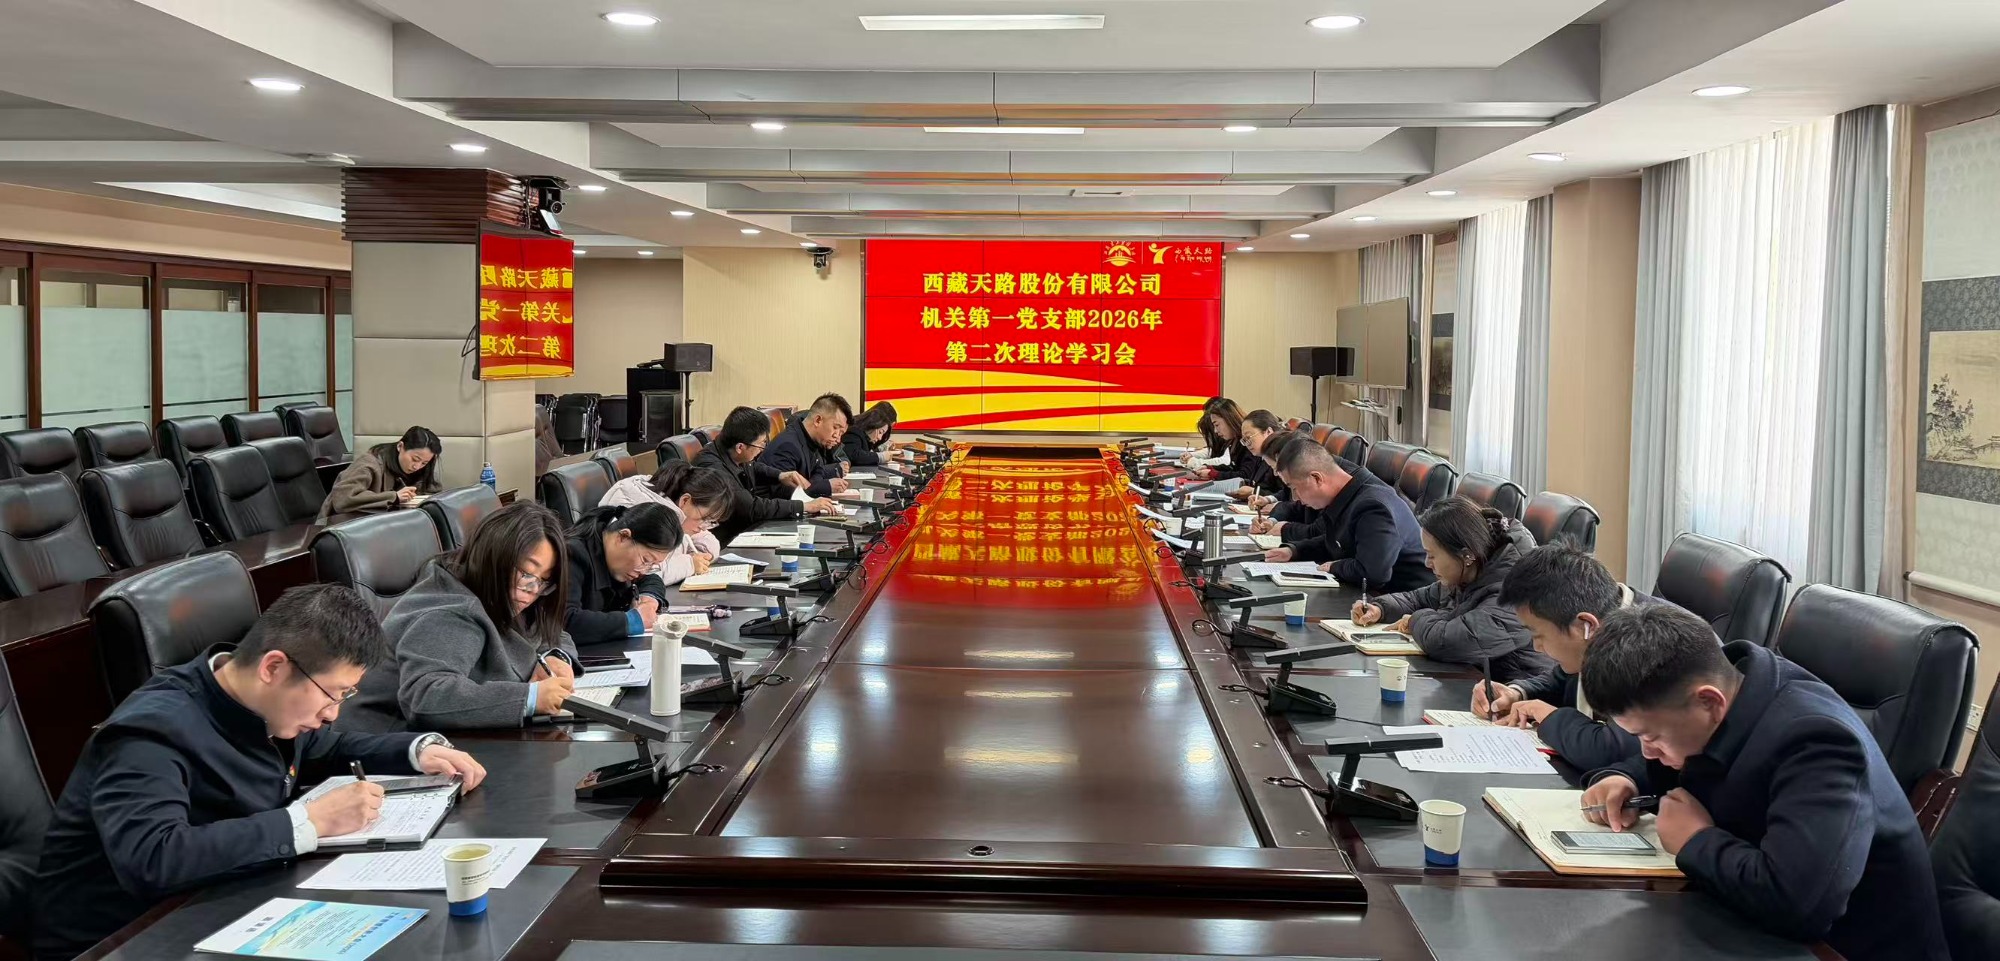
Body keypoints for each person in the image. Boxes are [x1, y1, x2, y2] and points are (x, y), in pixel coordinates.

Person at [31, 585, 487, 961]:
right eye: (333, 694)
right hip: (125, 937)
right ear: (274, 667)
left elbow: (327, 748)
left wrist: (416, 750)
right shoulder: (150, 732)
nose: (333, 713)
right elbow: (154, 858)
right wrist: (307, 823)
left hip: (224, 900)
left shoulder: (263, 705)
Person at [1578, 604, 1946, 961]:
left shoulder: (1818, 742)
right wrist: (1627, 778)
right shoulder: (1732, 690)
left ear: (1709, 702)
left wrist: (1696, 840)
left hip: (1841, 949)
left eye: (1651, 737)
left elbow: (1799, 905)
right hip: (1749, 927)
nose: (1648, 752)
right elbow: (1696, 756)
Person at [344, 501, 578, 732]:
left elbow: (549, 629)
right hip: (391, 742)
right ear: (494, 556)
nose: (533, 590)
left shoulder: (498, 591)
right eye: (527, 573)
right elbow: (427, 697)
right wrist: (531, 697)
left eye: (544, 580)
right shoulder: (449, 611)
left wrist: (555, 656)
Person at [1483, 542, 1661, 769]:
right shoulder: (1606, 613)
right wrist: (1517, 693)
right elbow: (1563, 679)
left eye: (1538, 635)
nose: (1536, 647)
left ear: (1585, 625)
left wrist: (1550, 717)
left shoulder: (1647, 644)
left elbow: (1613, 750)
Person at [1350, 497, 1550, 682]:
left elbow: (1451, 642)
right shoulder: (1468, 571)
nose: (1427, 563)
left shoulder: (1517, 590)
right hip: (1479, 682)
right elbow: (1419, 598)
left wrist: (1414, 620)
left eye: (1432, 556)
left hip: (1522, 693)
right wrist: (1380, 608)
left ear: (1466, 555)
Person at [1261, 440, 1432, 593]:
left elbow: (1372, 574)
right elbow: (1338, 542)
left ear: (1316, 478)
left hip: (1405, 604)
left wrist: (1334, 566)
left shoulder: (1373, 507)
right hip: (1375, 597)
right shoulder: (1347, 494)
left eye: (1294, 488)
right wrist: (1294, 551)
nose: (1295, 497)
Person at [697, 406, 839, 546]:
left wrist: (780, 475)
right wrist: (804, 506)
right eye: (761, 445)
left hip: (745, 530)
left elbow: (753, 467)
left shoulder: (732, 451)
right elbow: (750, 507)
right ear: (740, 447)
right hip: (724, 542)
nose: (762, 450)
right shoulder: (712, 469)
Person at [600, 462, 734, 586]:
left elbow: (704, 539)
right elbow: (643, 571)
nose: (703, 527)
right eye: (704, 519)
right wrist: (690, 564)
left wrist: (702, 555)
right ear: (685, 500)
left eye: (710, 522)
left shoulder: (674, 508)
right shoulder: (647, 514)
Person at [562, 503, 675, 645]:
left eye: (652, 565)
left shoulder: (620, 561)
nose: (644, 570)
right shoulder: (571, 555)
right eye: (646, 560)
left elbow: (651, 578)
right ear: (623, 537)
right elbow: (566, 621)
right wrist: (633, 621)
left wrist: (649, 600)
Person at [319, 426, 442, 520]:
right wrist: (394, 497)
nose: (417, 466)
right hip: (340, 526)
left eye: (424, 463)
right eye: (415, 459)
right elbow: (343, 498)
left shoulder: (420, 468)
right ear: (400, 446)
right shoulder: (369, 464)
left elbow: (432, 490)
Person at [759, 393, 852, 497]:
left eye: (841, 433)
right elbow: (786, 493)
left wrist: (820, 482)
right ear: (818, 420)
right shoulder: (788, 445)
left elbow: (817, 472)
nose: (838, 438)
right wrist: (827, 486)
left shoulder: (812, 440)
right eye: (835, 428)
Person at [1186, 398, 1250, 480]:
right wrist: (1211, 468)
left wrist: (1214, 474)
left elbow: (1245, 474)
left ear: (1229, 419)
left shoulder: (1248, 442)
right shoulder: (1234, 441)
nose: (1215, 431)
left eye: (1217, 425)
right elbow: (1232, 467)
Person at [1234, 409, 1288, 500]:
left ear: (1268, 432)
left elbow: (1288, 496)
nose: (1247, 444)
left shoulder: (1282, 455)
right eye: (1244, 440)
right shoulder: (1259, 456)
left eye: (1248, 437)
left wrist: (1254, 492)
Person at [841, 401, 898, 467]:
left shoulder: (866, 435)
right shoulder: (854, 430)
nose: (880, 438)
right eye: (880, 432)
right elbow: (855, 455)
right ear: (875, 422)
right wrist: (880, 457)